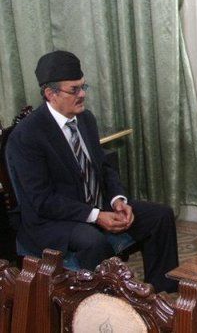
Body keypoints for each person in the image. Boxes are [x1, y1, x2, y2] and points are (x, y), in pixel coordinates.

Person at [7, 51, 179, 292]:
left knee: (160, 216)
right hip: (53, 222)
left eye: (83, 86)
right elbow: (43, 201)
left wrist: (117, 200)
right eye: (74, 89)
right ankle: (104, 306)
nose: (82, 94)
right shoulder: (27, 136)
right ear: (50, 94)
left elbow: (104, 167)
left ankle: (162, 294)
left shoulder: (86, 119)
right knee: (93, 241)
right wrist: (96, 216)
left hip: (94, 205)